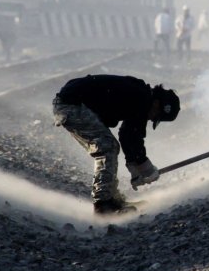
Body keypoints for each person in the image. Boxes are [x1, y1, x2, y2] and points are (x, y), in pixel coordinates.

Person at [52, 75, 181, 215]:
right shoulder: (142, 99)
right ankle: (103, 205)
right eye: (156, 116)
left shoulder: (140, 94)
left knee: (110, 146)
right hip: (71, 105)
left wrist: (135, 168)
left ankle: (112, 200)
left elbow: (127, 134)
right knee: (107, 147)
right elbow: (132, 136)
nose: (151, 119)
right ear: (157, 104)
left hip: (70, 103)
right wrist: (146, 169)